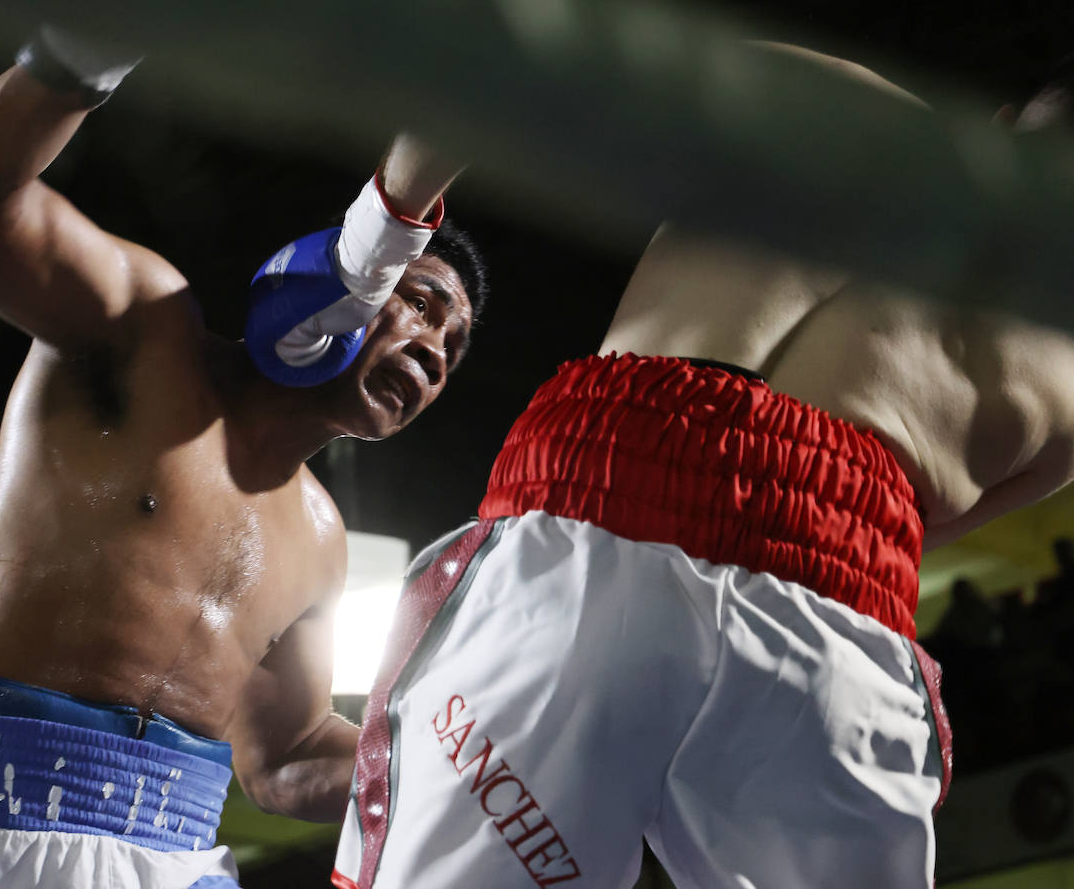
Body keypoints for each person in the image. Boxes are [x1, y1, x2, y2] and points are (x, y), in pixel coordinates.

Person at [332, 45, 1074, 889]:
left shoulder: (850, 109)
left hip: (611, 489)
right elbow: (909, 545)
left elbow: (516, 59)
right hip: (840, 614)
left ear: (1008, 122)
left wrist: (377, 234)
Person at [0, 25, 483, 889]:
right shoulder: (144, 332)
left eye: (452, 345)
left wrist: (471, 761)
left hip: (174, 856)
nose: (435, 350)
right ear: (333, 288)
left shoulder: (323, 538)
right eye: (421, 302)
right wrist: (98, 32)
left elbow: (287, 759)